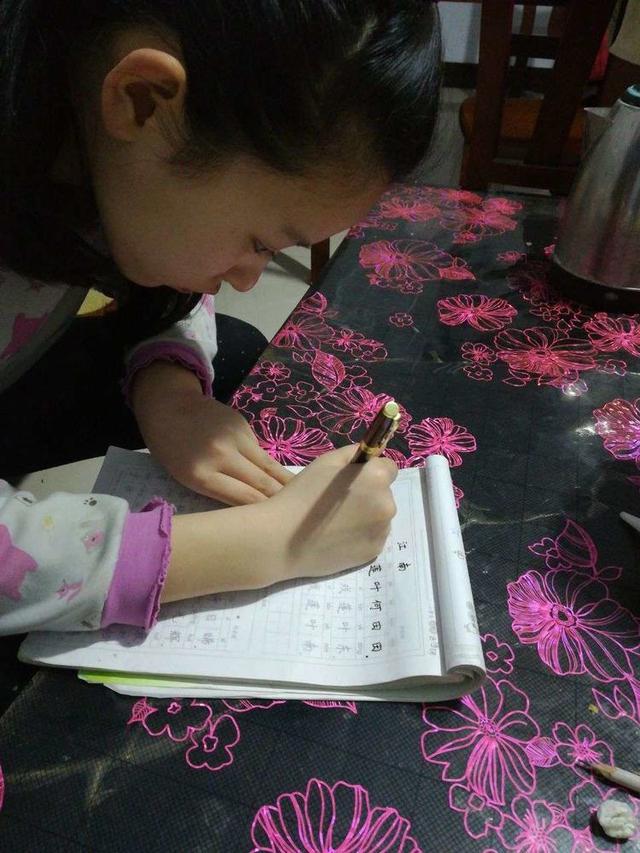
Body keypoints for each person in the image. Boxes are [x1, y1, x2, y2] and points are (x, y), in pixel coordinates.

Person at [0, 0, 442, 635]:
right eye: (260, 241)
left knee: (231, 348)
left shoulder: (94, 144)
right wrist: (272, 544)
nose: (248, 279)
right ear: (144, 101)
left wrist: (169, 390)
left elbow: (165, 273)